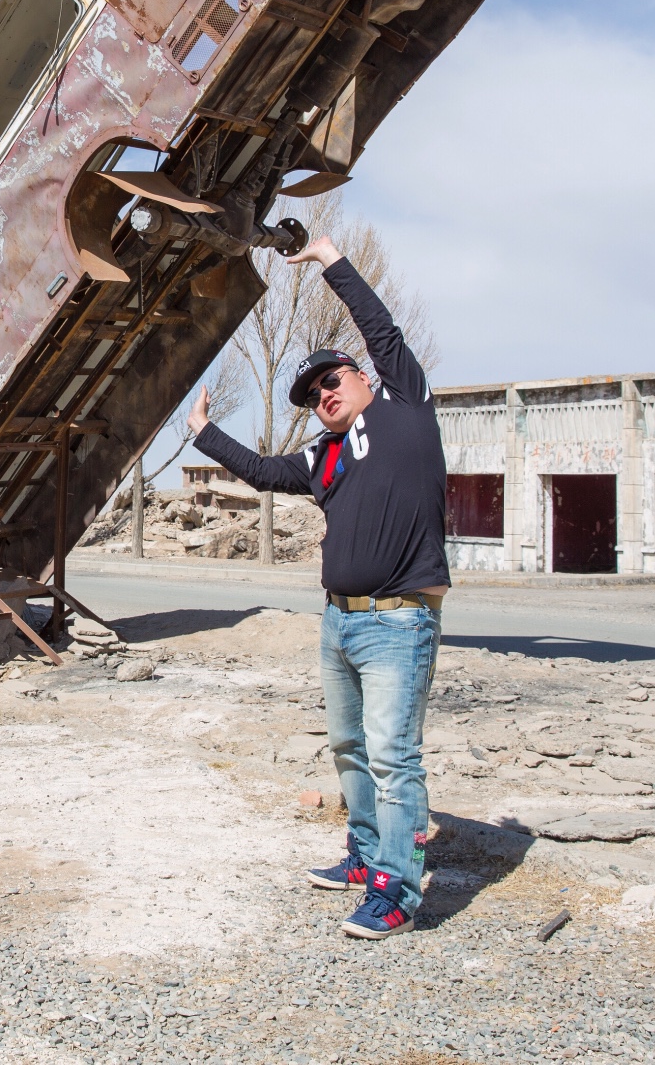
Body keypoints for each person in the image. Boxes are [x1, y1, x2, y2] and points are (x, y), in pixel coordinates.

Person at [184, 234, 448, 939]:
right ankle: (364, 856)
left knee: (394, 756)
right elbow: (268, 473)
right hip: (341, 623)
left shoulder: (404, 407)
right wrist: (204, 433)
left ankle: (396, 890)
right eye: (313, 394)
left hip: (399, 620)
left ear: (362, 377)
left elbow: (380, 327)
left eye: (332, 380)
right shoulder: (323, 455)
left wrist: (331, 261)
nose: (325, 395)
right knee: (349, 747)